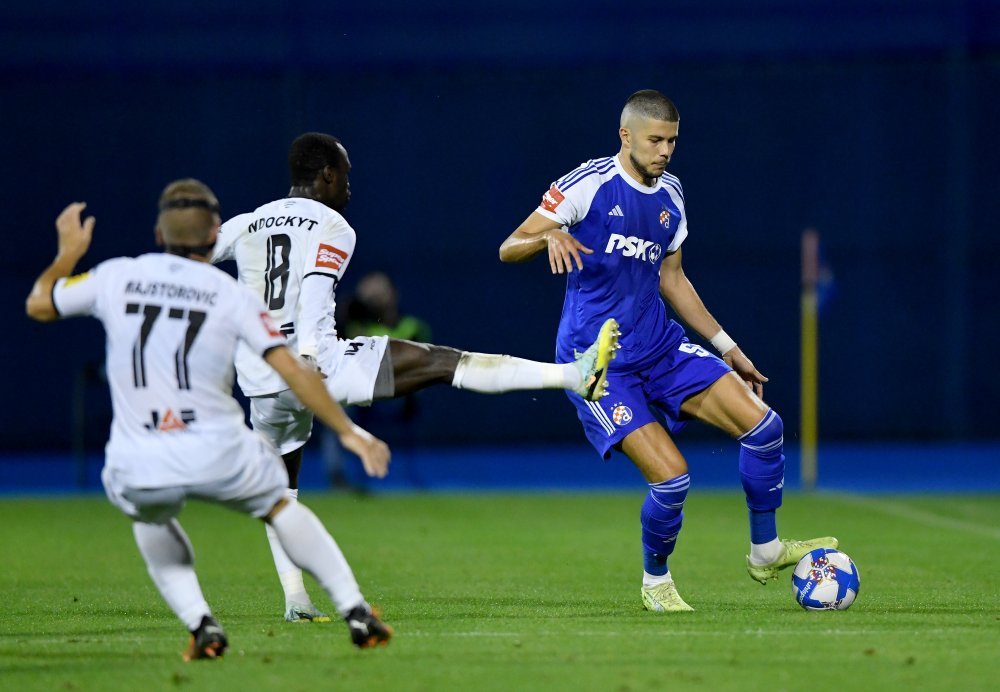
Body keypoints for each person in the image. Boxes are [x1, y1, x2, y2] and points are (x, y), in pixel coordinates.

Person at [211, 132, 620, 623]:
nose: (349, 187)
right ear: (325, 176)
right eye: (345, 175)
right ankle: (574, 376)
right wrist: (310, 360)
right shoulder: (334, 225)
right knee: (444, 362)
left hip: (259, 379)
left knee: (282, 489)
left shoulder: (248, 222)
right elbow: (317, 293)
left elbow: (193, 259)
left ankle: (296, 602)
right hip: (319, 366)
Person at [498, 90, 837, 612]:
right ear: (625, 136)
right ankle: (656, 582)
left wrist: (728, 348)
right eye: (655, 140)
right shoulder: (587, 185)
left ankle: (765, 550)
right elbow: (509, 245)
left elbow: (672, 279)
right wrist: (548, 239)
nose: (665, 151)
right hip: (598, 364)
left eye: (673, 141)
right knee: (673, 477)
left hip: (660, 347)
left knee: (765, 427)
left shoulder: (671, 194)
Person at [25, 180, 394, 659]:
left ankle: (201, 624)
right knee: (281, 508)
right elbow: (293, 370)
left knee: (147, 512)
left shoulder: (116, 276)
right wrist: (349, 432)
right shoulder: (230, 294)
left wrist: (67, 254)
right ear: (216, 233)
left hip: (140, 455)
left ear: (159, 233)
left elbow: (39, 302)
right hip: (218, 448)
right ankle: (355, 611)